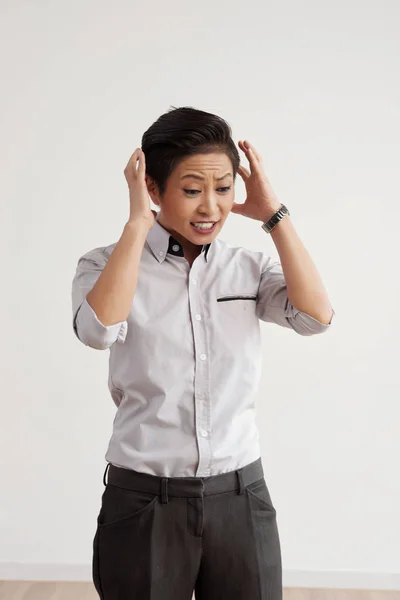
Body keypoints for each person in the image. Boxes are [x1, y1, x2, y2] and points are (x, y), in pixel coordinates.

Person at [71, 106, 335, 600]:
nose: (211, 207)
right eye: (192, 190)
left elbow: (316, 317)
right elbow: (97, 331)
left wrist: (273, 215)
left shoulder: (247, 268)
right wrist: (135, 225)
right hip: (144, 499)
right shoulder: (104, 264)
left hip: (240, 497)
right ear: (153, 188)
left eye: (223, 188)